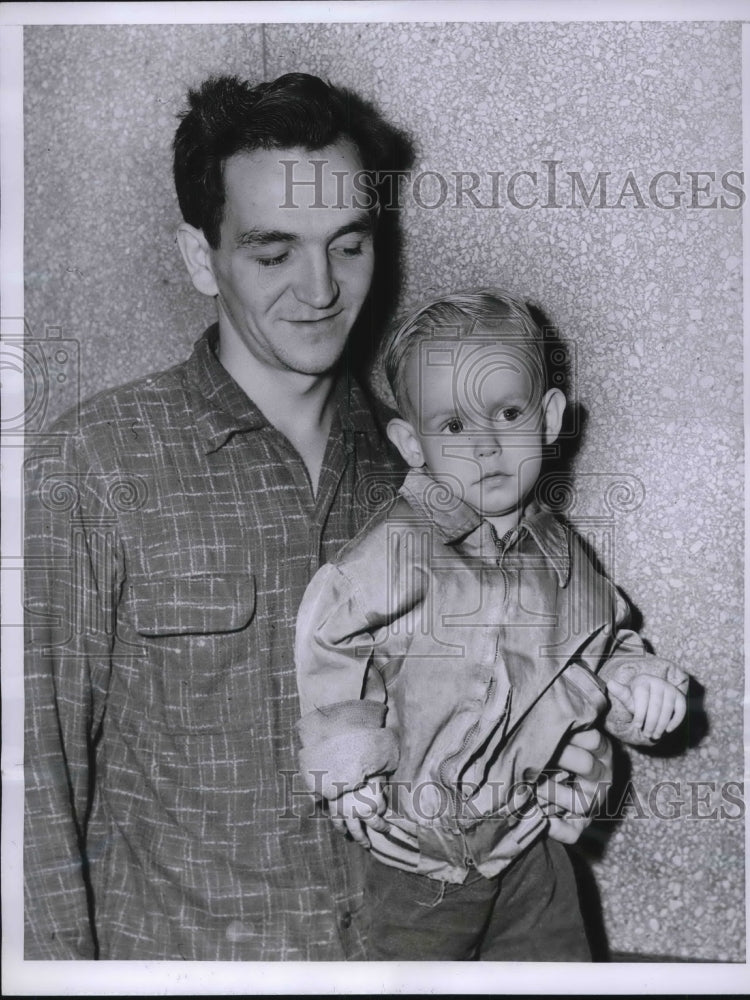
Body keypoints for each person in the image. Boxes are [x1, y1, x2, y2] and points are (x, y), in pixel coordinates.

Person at [24, 74, 611, 961]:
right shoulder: (94, 466)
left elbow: (537, 680)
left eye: (348, 245)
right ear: (199, 256)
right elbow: (29, 789)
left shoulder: (446, 473)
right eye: (273, 253)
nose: (321, 288)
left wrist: (568, 760)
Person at [294, 289, 688, 961]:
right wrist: (347, 758)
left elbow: (600, 641)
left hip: (524, 843)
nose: (485, 446)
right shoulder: (402, 546)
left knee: (557, 969)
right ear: (411, 444)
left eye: (507, 412)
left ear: (549, 417)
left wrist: (637, 682)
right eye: (452, 427)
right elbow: (331, 628)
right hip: (413, 854)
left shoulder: (561, 555)